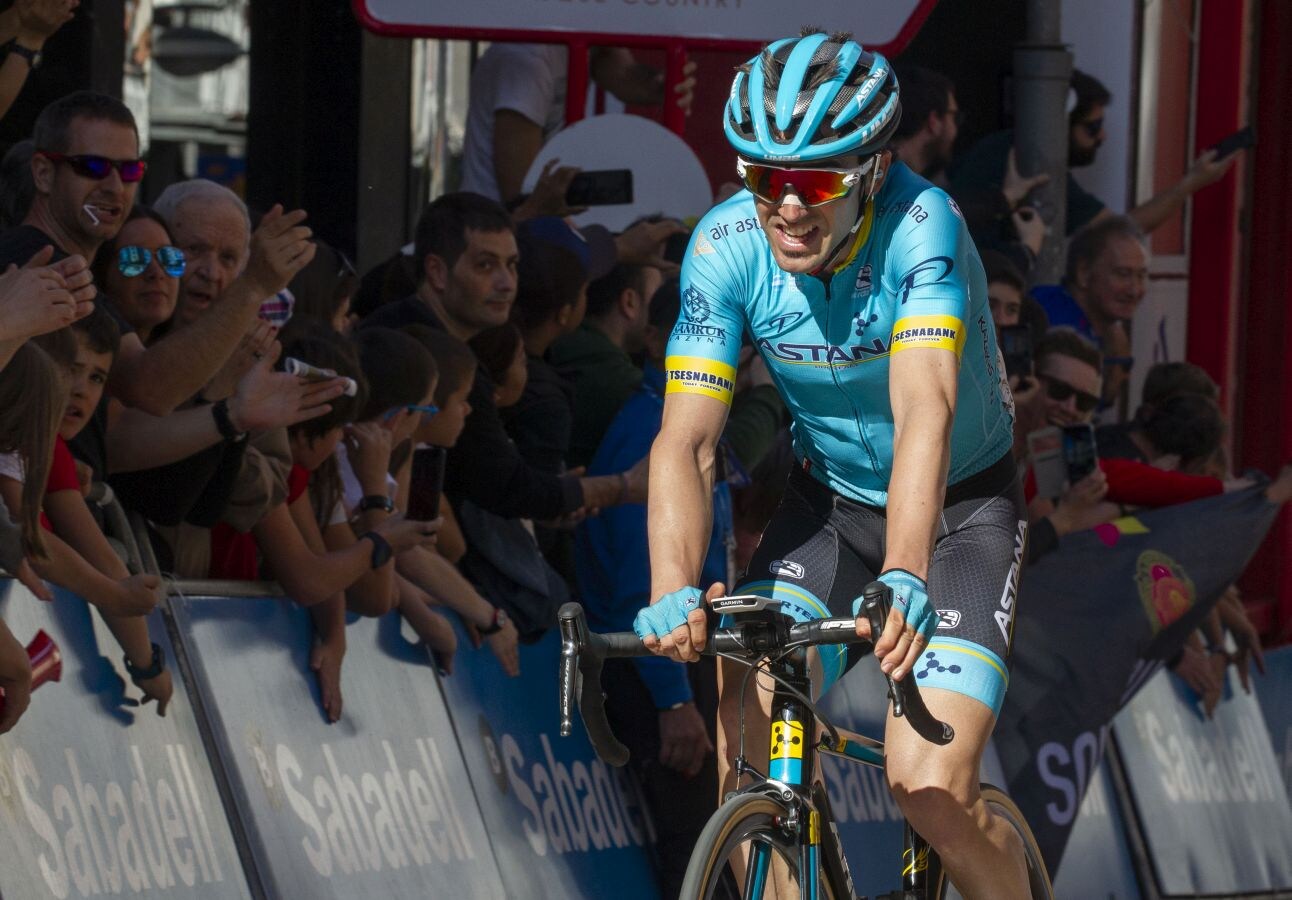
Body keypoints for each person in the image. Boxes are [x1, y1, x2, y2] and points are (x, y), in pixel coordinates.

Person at [633, 31, 1030, 898]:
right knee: (746, 706)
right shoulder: (724, 245)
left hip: (961, 515)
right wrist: (671, 581)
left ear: (876, 171)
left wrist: (904, 571)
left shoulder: (924, 228)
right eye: (763, 178)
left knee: (927, 789)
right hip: (833, 506)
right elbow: (688, 440)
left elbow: (925, 408)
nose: (785, 207)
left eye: (815, 182)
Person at [951, 68, 1237, 237]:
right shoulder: (1034, 164)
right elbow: (1120, 231)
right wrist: (1191, 184)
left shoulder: (1001, 147)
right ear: (1062, 125)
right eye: (1093, 127)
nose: (1102, 136)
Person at [1030, 215, 1146, 412]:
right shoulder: (1047, 315)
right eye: (1123, 274)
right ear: (1084, 273)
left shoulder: (1105, 327)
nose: (1134, 290)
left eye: (1141, 276)